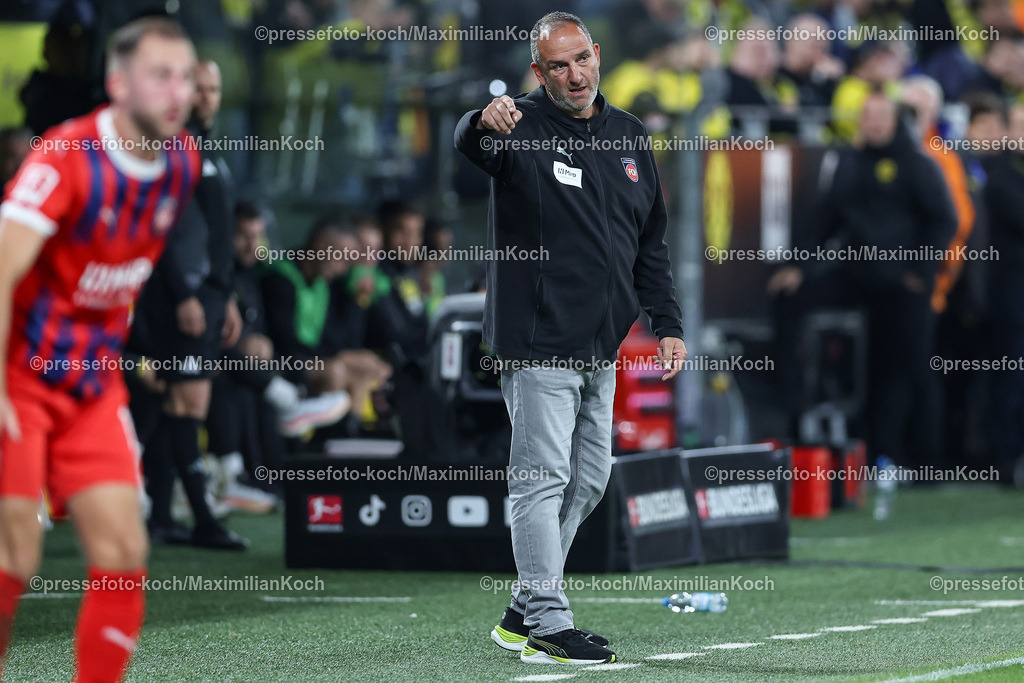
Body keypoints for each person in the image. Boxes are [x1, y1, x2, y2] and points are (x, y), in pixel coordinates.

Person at [455, 11, 685, 666]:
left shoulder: (631, 136)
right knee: (542, 476)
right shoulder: (520, 127)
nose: (573, 74)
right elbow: (471, 143)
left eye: (580, 58)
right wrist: (478, 121)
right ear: (539, 73)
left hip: (600, 344)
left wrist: (666, 322)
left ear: (598, 54)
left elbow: (651, 245)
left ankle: (525, 605)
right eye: (557, 65)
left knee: (590, 477)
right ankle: (549, 623)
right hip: (536, 338)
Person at [0, 17, 199, 681]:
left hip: (91, 381)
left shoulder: (181, 162)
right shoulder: (64, 158)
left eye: (186, 76)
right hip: (18, 375)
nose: (178, 92)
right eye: (159, 76)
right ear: (117, 84)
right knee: (15, 553)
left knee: (122, 548)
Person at [769, 92, 957, 470]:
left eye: (881, 117)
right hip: (859, 273)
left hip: (905, 282)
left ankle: (927, 462)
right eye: (867, 116)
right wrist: (799, 266)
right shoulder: (850, 162)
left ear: (894, 121)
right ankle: (790, 410)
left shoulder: (918, 164)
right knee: (790, 298)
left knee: (913, 369)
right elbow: (826, 218)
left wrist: (919, 271)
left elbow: (944, 220)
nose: (873, 124)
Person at [131, 59, 249, 550]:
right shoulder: (172, 147)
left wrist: (229, 296)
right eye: (198, 89)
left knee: (175, 404)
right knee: (187, 402)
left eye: (214, 89)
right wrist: (184, 295)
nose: (206, 97)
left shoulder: (205, 148)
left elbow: (215, 234)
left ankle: (161, 515)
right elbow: (158, 229)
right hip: (187, 296)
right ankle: (202, 517)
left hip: (211, 293)